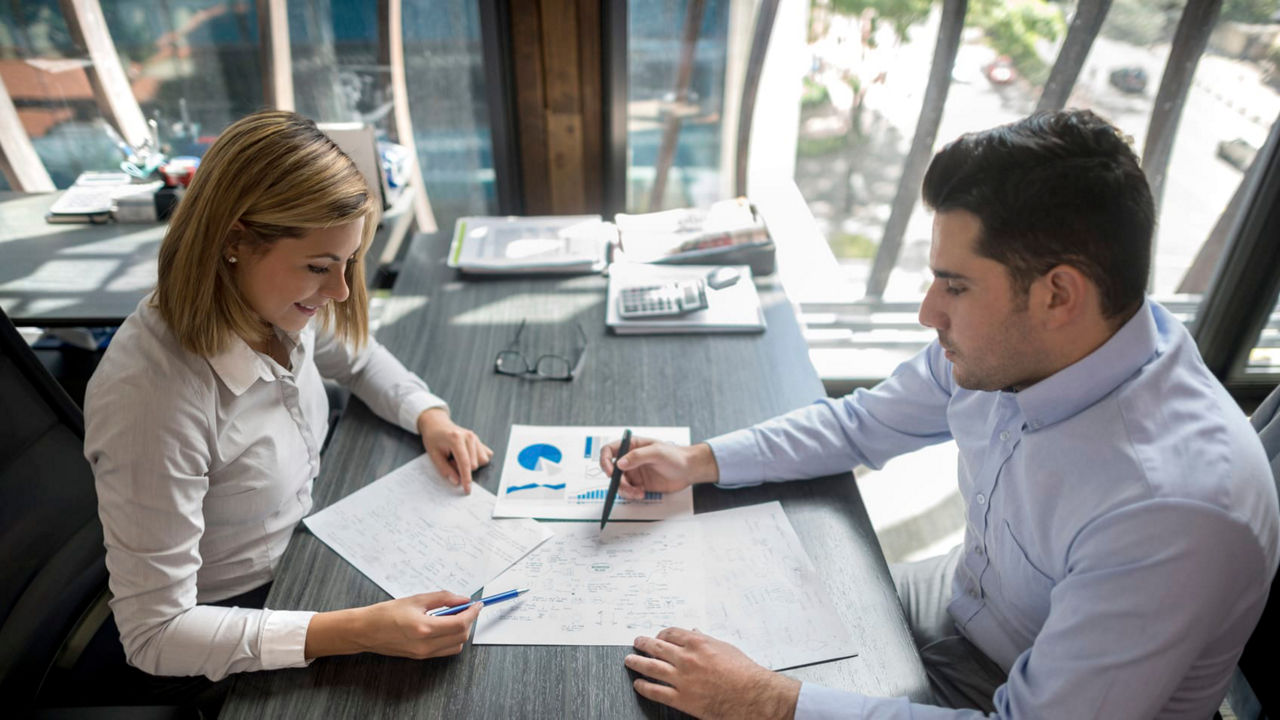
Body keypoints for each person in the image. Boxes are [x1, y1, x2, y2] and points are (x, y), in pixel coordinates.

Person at [601, 110, 1279, 719]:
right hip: (965, 607)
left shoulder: (1171, 510)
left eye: (955, 286)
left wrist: (768, 702)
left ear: (1058, 294)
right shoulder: (1019, 346)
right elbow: (858, 424)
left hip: (1015, 692)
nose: (929, 314)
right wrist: (700, 460)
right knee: (699, 624)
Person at [75, 110, 493, 705]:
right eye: (319, 268)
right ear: (235, 241)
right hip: (235, 624)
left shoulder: (269, 305)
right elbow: (155, 635)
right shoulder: (152, 397)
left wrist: (429, 415)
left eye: (347, 263)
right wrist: (356, 631)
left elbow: (356, 356)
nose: (341, 292)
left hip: (309, 552)